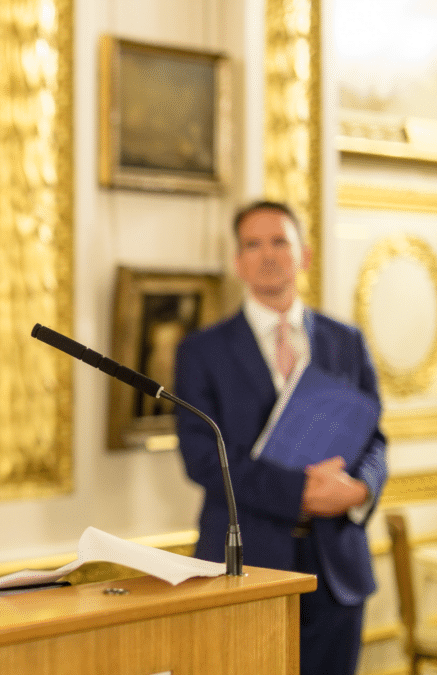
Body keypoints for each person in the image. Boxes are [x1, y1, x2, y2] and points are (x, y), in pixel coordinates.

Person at [174, 200, 387, 675]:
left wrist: (359, 489)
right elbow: (202, 459)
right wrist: (304, 494)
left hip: (338, 570)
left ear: (304, 255)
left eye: (280, 242)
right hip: (244, 564)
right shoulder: (202, 351)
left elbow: (375, 439)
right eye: (253, 244)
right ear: (237, 262)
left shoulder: (345, 340)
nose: (267, 254)